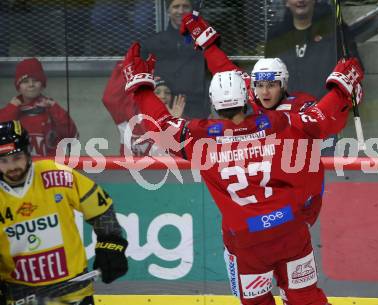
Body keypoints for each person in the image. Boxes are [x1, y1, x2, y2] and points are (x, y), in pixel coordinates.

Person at [121, 42, 363, 305]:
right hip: (290, 228)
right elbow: (321, 117)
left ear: (213, 102)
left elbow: (160, 125)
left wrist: (141, 88)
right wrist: (342, 86)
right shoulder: (279, 123)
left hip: (247, 241)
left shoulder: (199, 139)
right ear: (248, 96)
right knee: (305, 297)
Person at [179, 13, 351, 226]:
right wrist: (207, 44)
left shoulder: (301, 105)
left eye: (271, 85)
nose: (265, 91)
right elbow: (225, 69)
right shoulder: (249, 97)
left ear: (283, 84)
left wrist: (343, 92)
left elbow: (323, 121)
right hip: (261, 197)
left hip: (301, 194)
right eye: (259, 85)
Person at [0, 120, 128, 304]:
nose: (11, 166)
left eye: (16, 158)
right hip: (20, 296)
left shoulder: (55, 174)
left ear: (28, 153)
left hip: (75, 294)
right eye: (3, 160)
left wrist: (111, 244)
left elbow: (100, 207)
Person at [265, 0, 361, 99]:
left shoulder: (336, 31)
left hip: (325, 109)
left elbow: (354, 70)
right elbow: (268, 79)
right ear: (286, 2)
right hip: (286, 110)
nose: (300, 0)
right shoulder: (275, 37)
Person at [140, 0, 211, 118]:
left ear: (191, 10)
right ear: (168, 10)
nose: (181, 11)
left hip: (197, 107)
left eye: (185, 7)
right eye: (176, 7)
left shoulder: (204, 40)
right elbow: (139, 71)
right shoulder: (153, 43)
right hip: (163, 107)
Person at [102, 61, 186, 156]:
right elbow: (109, 99)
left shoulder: (179, 119)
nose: (163, 96)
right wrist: (129, 67)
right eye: (157, 92)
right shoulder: (130, 115)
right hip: (129, 168)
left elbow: (177, 159)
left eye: (167, 93)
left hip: (161, 170)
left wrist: (173, 126)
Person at [0, 58, 78, 156]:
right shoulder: (11, 110)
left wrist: (54, 108)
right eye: (25, 81)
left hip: (50, 167)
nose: (31, 85)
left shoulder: (52, 109)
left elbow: (71, 136)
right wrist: (11, 110)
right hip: (19, 168)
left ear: (42, 85)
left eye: (35, 80)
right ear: (18, 87)